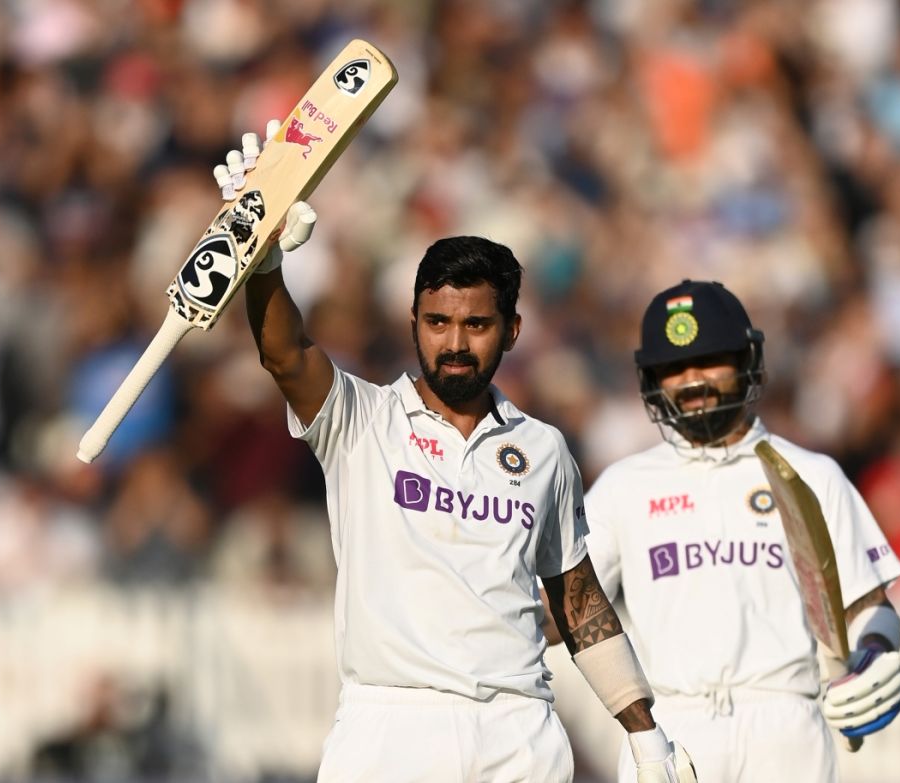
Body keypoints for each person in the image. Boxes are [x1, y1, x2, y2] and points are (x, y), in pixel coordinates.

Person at [218, 125, 698, 783]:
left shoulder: (543, 450)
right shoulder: (363, 420)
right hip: (391, 726)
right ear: (413, 322)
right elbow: (285, 353)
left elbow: (578, 602)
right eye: (437, 322)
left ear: (512, 331)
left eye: (476, 324)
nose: (454, 343)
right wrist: (263, 256)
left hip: (518, 731)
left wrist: (646, 735)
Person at [546, 280, 900, 783]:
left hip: (784, 724)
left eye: (710, 359)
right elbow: (563, 614)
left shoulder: (808, 474)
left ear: (746, 361)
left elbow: (872, 609)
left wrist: (874, 652)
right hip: (672, 727)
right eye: (672, 368)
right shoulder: (624, 486)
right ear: (651, 379)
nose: (692, 379)